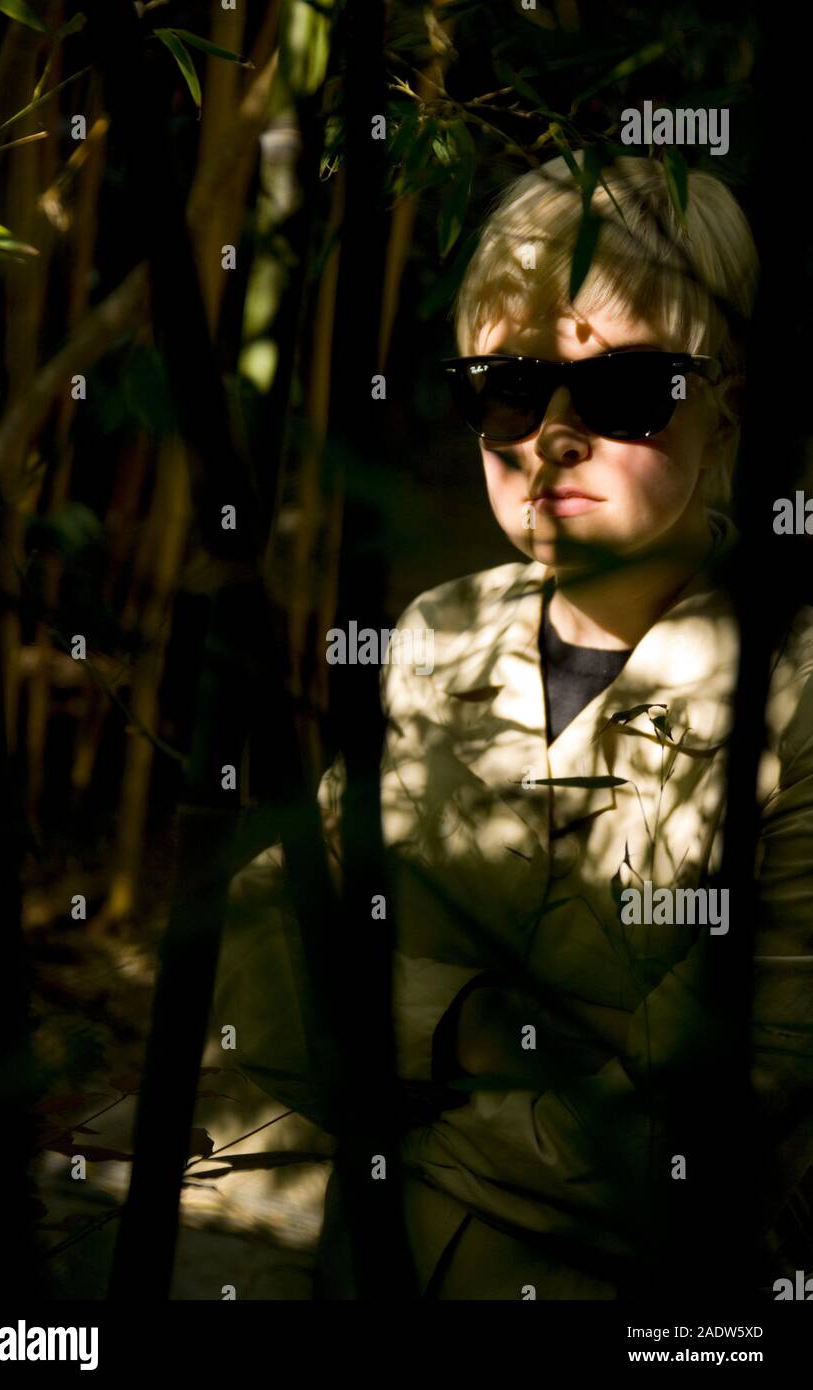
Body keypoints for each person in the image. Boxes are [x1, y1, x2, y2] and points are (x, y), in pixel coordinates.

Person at [213, 153, 813, 1299]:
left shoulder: (793, 700)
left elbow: (695, 1159)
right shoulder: (434, 641)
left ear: (724, 409)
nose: (548, 435)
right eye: (505, 386)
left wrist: (397, 1066)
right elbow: (259, 978)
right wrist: (479, 1029)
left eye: (624, 391)